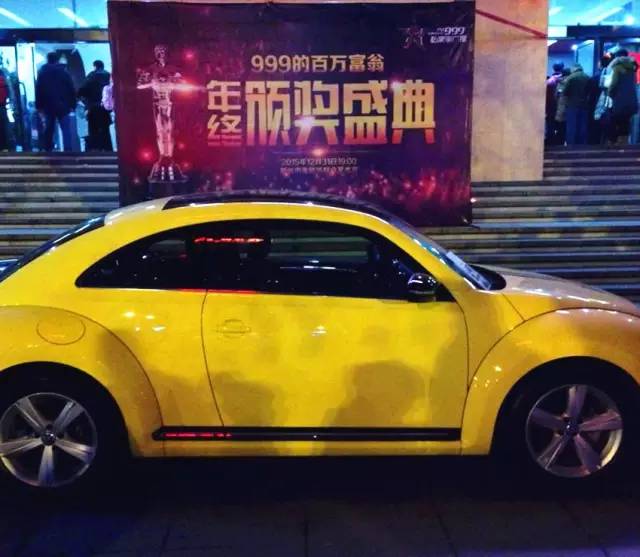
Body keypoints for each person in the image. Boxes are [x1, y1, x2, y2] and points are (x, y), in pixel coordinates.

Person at [35, 51, 76, 151]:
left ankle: (48, 149)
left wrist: (39, 106)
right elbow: (71, 89)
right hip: (63, 104)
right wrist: (72, 104)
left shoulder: (42, 73)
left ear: (47, 60)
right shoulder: (64, 72)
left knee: (49, 128)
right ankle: (68, 150)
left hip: (48, 105)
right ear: (57, 60)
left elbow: (39, 90)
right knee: (66, 129)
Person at [78, 60, 112, 151]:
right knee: (105, 128)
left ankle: (96, 148)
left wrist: (81, 97)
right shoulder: (108, 75)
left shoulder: (91, 76)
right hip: (105, 106)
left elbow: (83, 89)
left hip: (93, 106)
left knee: (93, 129)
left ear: (95, 66)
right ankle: (108, 148)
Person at [607, 48, 639, 145]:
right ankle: (623, 142)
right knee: (625, 121)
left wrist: (609, 93)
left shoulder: (617, 68)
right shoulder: (632, 69)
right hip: (631, 100)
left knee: (613, 119)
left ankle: (613, 141)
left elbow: (613, 84)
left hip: (619, 99)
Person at [562, 64, 590, 145]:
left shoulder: (571, 77)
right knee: (582, 126)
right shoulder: (587, 77)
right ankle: (582, 144)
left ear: (574, 69)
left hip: (572, 105)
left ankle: (571, 144)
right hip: (584, 105)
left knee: (571, 126)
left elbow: (565, 92)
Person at [545, 62, 564, 145]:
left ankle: (550, 142)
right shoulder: (565, 79)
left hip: (550, 107)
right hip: (562, 107)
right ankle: (560, 143)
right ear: (562, 68)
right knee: (561, 126)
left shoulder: (549, 81)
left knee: (550, 125)